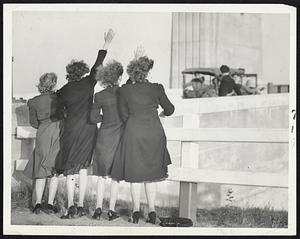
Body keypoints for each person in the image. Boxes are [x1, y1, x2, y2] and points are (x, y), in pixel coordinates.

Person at [55, 29, 115, 219]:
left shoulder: (63, 90)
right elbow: (98, 64)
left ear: (69, 74)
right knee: (82, 167)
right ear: (83, 72)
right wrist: (106, 43)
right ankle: (81, 205)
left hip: (71, 130)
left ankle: (71, 205)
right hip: (89, 130)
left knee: (70, 168)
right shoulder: (88, 83)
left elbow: (56, 109)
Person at [110, 55, 175, 224]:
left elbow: (123, 115)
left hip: (134, 132)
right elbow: (170, 109)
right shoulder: (157, 88)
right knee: (151, 174)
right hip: (154, 132)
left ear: (131, 73)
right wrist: (161, 114)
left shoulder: (124, 90)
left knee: (135, 173)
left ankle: (136, 211)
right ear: (147, 73)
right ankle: (152, 211)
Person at [23, 72, 64, 214]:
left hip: (42, 133)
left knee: (40, 168)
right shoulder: (59, 99)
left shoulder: (33, 101)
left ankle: (38, 204)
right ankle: (51, 204)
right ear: (54, 84)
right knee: (54, 168)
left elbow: (33, 123)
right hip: (58, 131)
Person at [89, 60, 124, 221]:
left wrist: (106, 117)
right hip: (119, 137)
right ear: (118, 78)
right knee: (115, 176)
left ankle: (97, 209)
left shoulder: (99, 95)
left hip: (103, 137)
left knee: (101, 175)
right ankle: (110, 210)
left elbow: (93, 117)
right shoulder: (124, 92)